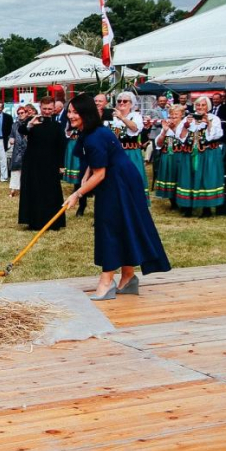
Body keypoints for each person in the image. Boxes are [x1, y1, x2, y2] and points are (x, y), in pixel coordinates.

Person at [64, 94, 170, 301]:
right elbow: (90, 166)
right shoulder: (89, 132)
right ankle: (128, 277)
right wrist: (81, 185)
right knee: (122, 225)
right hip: (116, 179)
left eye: (75, 112)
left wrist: (77, 194)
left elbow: (100, 173)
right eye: (69, 111)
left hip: (120, 182)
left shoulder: (95, 137)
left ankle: (106, 281)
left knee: (110, 226)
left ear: (86, 113)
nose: (70, 116)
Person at [18, 96, 65, 231]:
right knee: (34, 190)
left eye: (50, 109)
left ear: (54, 109)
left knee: (50, 192)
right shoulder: (33, 121)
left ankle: (52, 222)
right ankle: (34, 221)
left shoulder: (57, 126)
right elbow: (21, 131)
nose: (47, 111)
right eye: (44, 108)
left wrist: (61, 165)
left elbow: (61, 146)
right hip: (33, 163)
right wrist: (30, 125)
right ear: (40, 107)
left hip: (50, 163)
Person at [175, 96, 224, 217]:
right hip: (190, 153)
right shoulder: (188, 118)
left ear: (208, 106)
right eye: (198, 105)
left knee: (206, 179)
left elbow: (215, 136)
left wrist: (208, 124)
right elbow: (179, 136)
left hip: (208, 154)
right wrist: (186, 125)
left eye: (203, 105)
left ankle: (206, 208)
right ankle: (188, 208)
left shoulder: (214, 118)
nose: (200, 107)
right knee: (189, 178)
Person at [108, 92, 149, 202]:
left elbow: (134, 128)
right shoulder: (112, 117)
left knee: (133, 177)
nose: (121, 103)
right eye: (119, 101)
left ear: (131, 104)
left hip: (131, 152)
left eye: (125, 101)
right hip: (116, 152)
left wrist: (121, 117)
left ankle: (135, 201)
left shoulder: (135, 116)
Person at [153, 105, 187, 208]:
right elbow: (158, 144)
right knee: (169, 176)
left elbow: (183, 140)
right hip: (168, 155)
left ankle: (182, 201)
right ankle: (172, 201)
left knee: (180, 178)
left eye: (176, 116)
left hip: (181, 155)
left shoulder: (185, 125)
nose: (173, 118)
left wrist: (174, 128)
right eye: (171, 116)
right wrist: (164, 131)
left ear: (182, 116)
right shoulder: (166, 126)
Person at [8, 105, 29, 197]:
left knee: (28, 170)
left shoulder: (30, 123)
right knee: (15, 169)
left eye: (22, 113)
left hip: (28, 149)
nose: (20, 115)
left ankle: (27, 189)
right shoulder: (14, 125)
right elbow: (11, 135)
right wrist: (11, 139)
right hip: (17, 150)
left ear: (26, 113)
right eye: (19, 113)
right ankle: (13, 189)